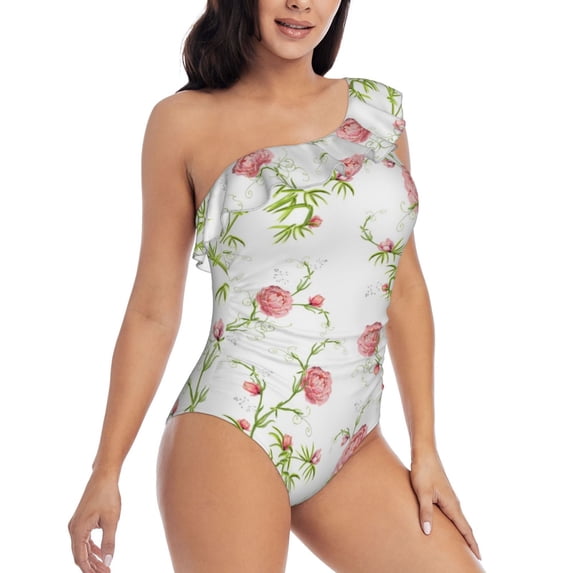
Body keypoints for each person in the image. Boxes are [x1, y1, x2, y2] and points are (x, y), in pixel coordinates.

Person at [68, 1, 486, 571]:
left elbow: (404, 288)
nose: (301, 3)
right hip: (230, 431)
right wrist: (106, 470)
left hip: (354, 445)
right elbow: (152, 312)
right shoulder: (183, 121)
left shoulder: (378, 111)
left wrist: (426, 451)